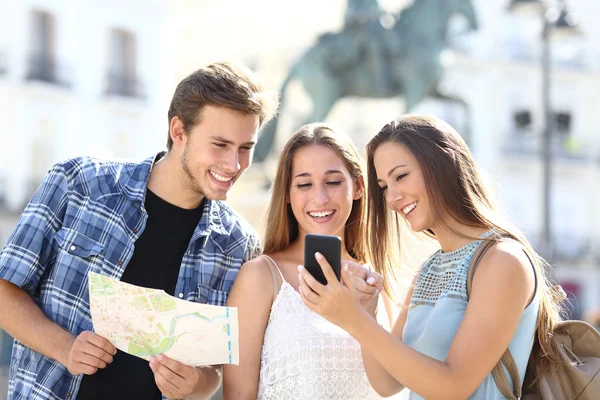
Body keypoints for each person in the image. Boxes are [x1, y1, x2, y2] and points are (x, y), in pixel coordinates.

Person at [0, 61, 278, 400]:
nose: (234, 165)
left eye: (245, 148)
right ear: (179, 131)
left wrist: (195, 386)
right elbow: (5, 290)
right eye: (220, 144)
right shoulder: (79, 184)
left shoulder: (238, 245)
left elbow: (216, 370)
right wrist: (65, 347)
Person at [298, 115, 564, 399]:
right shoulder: (431, 268)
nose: (392, 198)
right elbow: (387, 383)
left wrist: (353, 320)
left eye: (401, 176)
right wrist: (366, 309)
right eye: (385, 186)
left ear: (442, 164)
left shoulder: (503, 260)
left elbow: (453, 386)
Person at [223, 123, 385, 399]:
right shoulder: (261, 276)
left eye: (333, 182)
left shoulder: (376, 281)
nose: (319, 198)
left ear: (358, 186)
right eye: (304, 184)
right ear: (287, 193)